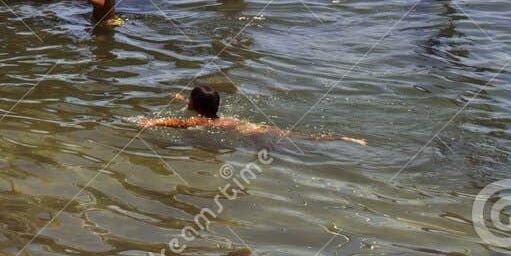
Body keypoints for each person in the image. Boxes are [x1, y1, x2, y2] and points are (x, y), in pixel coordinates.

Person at [140, 84, 365, 144]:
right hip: (251, 128)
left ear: (195, 105)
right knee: (300, 135)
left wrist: (153, 122)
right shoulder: (214, 117)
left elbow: (178, 123)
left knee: (301, 139)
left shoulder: (202, 120)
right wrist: (181, 99)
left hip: (254, 133)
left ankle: (344, 138)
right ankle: (344, 138)